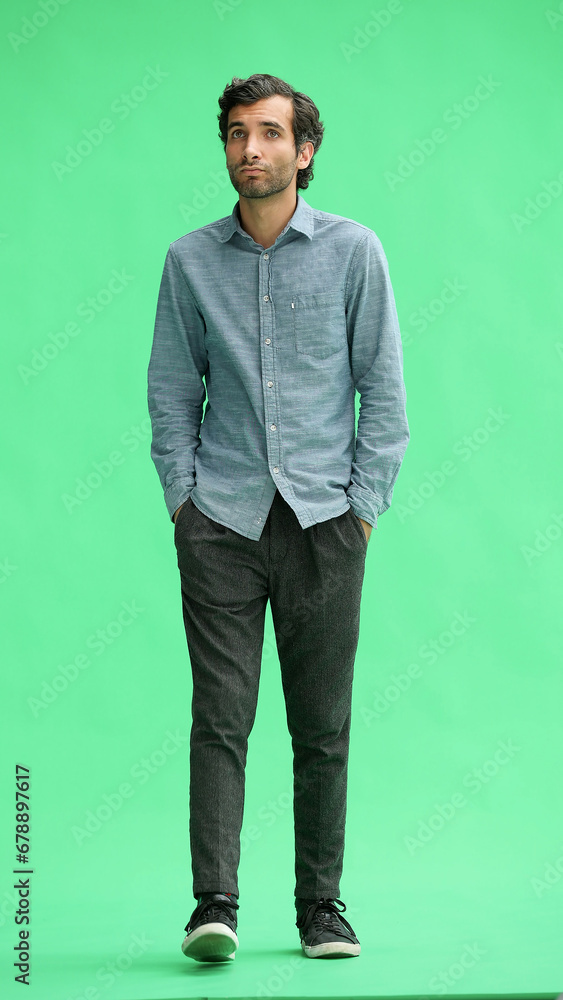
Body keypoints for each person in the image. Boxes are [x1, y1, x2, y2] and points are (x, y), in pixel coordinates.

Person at [147, 73, 410, 963]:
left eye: (266, 133)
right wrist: (183, 504)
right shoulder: (189, 260)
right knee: (219, 718)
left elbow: (385, 394)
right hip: (218, 521)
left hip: (324, 523)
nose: (247, 149)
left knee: (321, 727)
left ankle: (321, 910)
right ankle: (211, 907)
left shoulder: (353, 252)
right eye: (233, 133)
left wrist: (361, 511)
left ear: (304, 151)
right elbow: (172, 394)